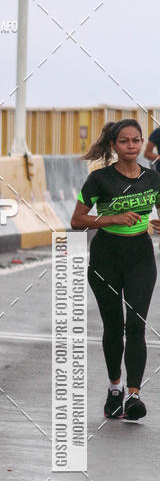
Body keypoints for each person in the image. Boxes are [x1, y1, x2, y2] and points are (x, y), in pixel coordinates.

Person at [71, 119, 160, 420]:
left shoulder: (153, 178)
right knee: (114, 328)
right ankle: (115, 388)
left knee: (136, 325)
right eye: (125, 141)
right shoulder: (99, 180)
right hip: (106, 257)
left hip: (140, 256)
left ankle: (134, 396)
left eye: (137, 140)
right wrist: (111, 218)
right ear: (113, 145)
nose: (132, 146)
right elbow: (77, 220)